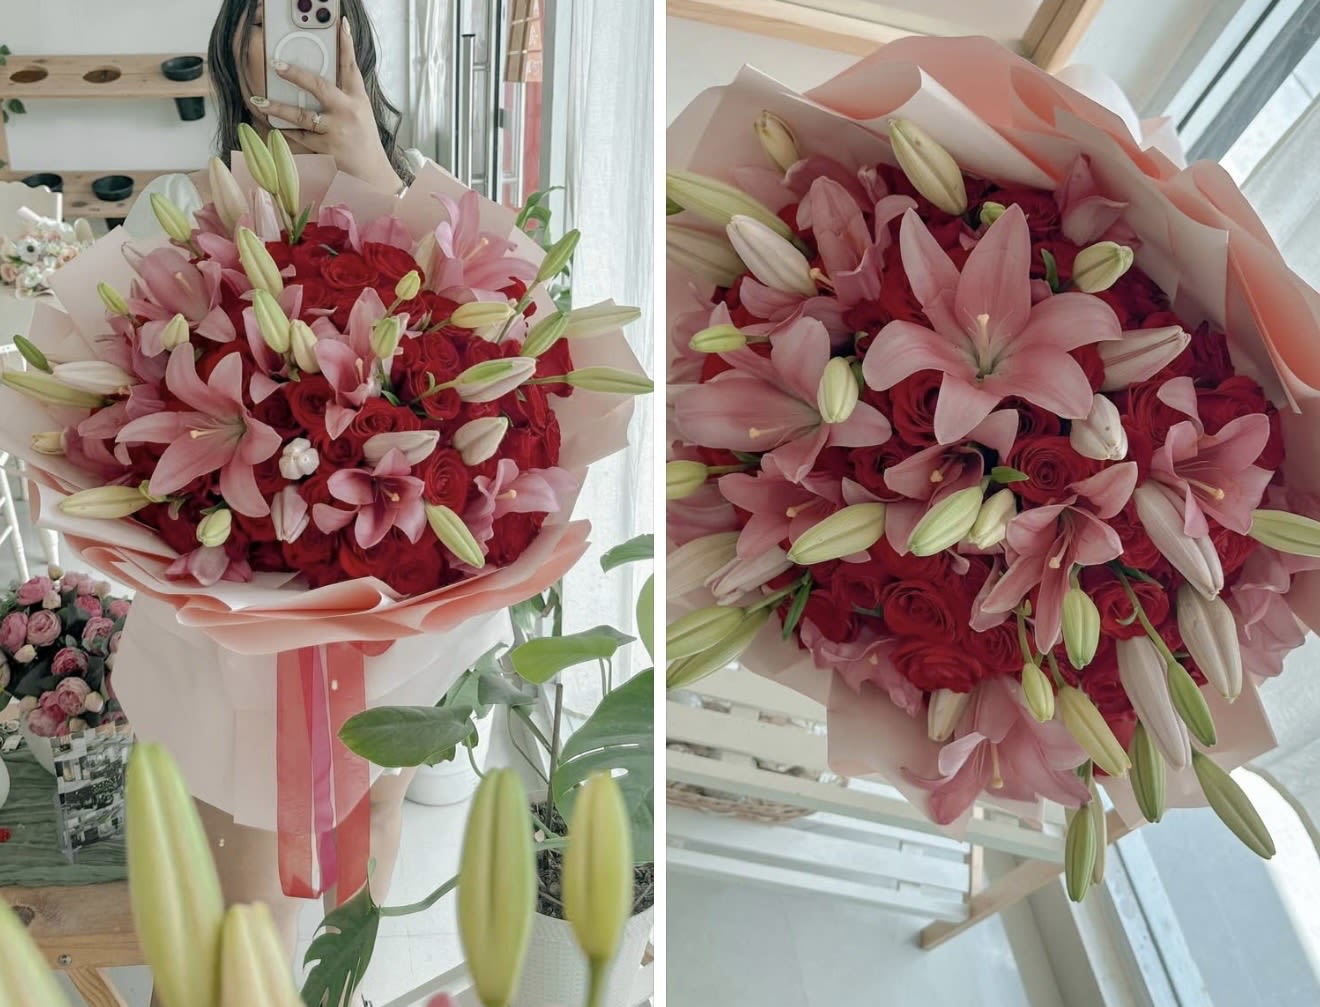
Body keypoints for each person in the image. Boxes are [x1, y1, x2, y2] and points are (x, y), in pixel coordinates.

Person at [117, 5, 506, 1005]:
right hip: (231, 594)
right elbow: (126, 400)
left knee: (365, 831)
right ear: (231, 45)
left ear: (352, 40)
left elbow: (475, 355)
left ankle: (337, 991)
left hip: (393, 591)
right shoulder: (177, 202)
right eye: (263, 12)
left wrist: (375, 173)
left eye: (316, 7)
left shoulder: (418, 185)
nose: (282, 33)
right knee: (243, 867)